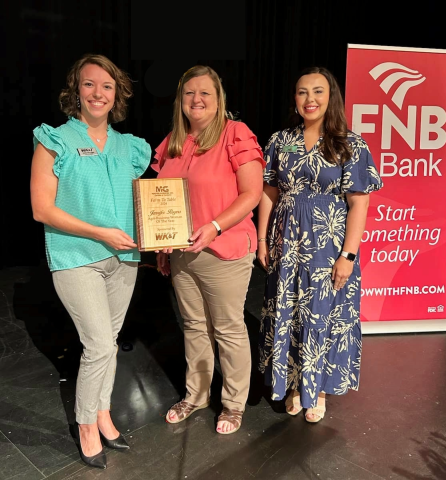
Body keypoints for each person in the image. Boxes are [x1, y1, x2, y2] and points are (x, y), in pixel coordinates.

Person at [30, 53, 151, 468]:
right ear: (75, 91)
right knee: (98, 343)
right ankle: (85, 423)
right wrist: (100, 232)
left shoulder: (130, 147)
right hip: (76, 255)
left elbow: (140, 203)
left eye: (107, 86)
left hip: (125, 258)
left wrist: (158, 231)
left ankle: (102, 411)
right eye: (89, 84)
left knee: (109, 343)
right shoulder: (55, 139)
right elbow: (42, 209)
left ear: (116, 94)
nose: (98, 93)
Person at [257, 66, 383, 423]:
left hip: (329, 247)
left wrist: (348, 255)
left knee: (324, 315)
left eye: (317, 91)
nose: (309, 99)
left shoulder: (349, 143)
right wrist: (263, 238)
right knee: (290, 312)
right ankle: (294, 385)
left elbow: (359, 202)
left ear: (331, 98)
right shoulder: (280, 140)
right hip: (286, 244)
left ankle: (320, 390)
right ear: (294, 99)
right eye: (301, 92)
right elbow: (269, 192)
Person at [153, 65, 265, 435]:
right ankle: (196, 394)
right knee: (194, 327)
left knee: (228, 328)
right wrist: (161, 245)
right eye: (189, 93)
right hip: (183, 253)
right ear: (180, 100)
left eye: (205, 93)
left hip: (225, 250)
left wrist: (214, 226)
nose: (196, 99)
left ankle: (233, 404)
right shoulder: (173, 141)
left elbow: (251, 195)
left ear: (219, 100)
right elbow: (161, 204)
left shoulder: (235, 134)